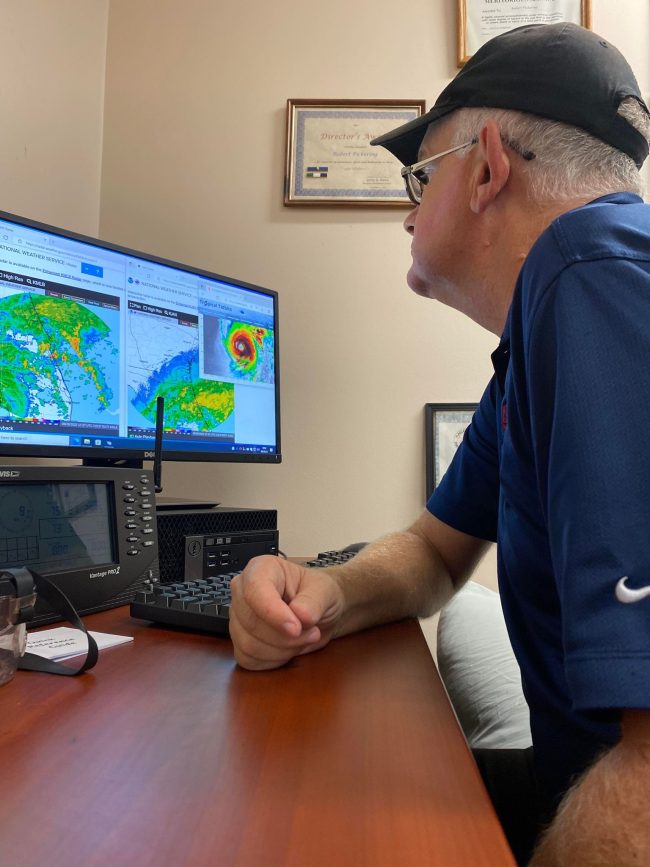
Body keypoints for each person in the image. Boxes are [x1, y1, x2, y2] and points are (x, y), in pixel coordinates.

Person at [230, 22, 650, 867]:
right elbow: (432, 550)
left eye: (420, 177)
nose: (408, 211)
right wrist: (325, 595)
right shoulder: (545, 332)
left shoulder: (589, 274)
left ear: (489, 167)